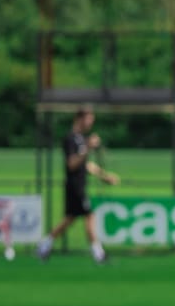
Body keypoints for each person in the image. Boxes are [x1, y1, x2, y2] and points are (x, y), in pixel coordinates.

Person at [36, 106, 121, 263]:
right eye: (89, 119)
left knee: (70, 219)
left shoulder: (81, 139)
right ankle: (98, 254)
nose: (90, 123)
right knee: (89, 216)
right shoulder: (71, 139)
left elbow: (86, 165)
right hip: (74, 186)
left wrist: (104, 176)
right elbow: (72, 164)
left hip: (80, 185)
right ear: (79, 119)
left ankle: (44, 245)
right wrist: (88, 147)